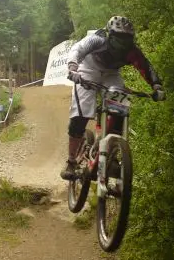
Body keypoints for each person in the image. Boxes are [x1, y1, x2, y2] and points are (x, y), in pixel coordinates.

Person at [61, 16, 166, 179]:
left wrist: (156, 86)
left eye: (126, 41)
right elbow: (77, 49)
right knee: (81, 113)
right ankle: (71, 162)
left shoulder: (132, 51)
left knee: (119, 107)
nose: (122, 46)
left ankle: (112, 154)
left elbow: (145, 66)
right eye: (118, 41)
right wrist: (73, 68)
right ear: (109, 36)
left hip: (111, 74)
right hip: (88, 68)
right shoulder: (97, 40)